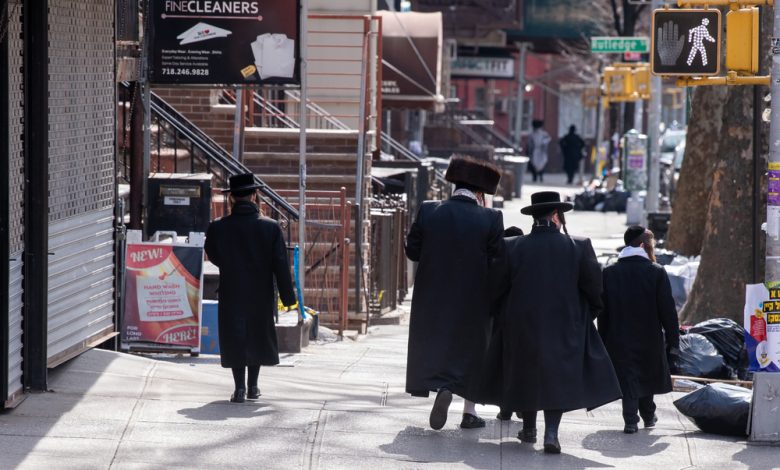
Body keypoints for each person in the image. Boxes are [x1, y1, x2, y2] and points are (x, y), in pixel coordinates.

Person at [496, 191, 621, 453]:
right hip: (565, 323)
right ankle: (551, 433)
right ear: (556, 216)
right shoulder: (578, 246)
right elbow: (594, 289)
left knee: (527, 373)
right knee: (557, 376)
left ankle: (529, 428)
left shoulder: (514, 246)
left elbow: (498, 287)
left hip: (523, 323)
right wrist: (588, 315)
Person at [405, 155, 504, 430]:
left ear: (454, 186)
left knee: (437, 342)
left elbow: (412, 250)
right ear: (480, 194)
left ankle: (441, 388)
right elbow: (498, 263)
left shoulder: (428, 210)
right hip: (475, 298)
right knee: (472, 350)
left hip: (432, 295)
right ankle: (468, 412)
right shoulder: (491, 218)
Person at [204, 173, 297, 403]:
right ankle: (254, 386)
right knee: (256, 334)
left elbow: (213, 255)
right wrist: (288, 298)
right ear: (255, 195)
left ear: (232, 198)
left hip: (232, 289)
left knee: (235, 336)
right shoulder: (271, 228)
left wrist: (230, 264)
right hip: (260, 291)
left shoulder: (218, 227)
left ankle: (239, 389)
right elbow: (280, 265)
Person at [599, 226, 680, 434]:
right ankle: (642, 416)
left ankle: (634, 419)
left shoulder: (609, 273)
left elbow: (603, 311)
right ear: (643, 245)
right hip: (649, 336)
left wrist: (602, 338)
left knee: (629, 378)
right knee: (645, 376)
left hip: (618, 336)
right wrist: (674, 340)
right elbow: (667, 310)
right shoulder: (656, 272)